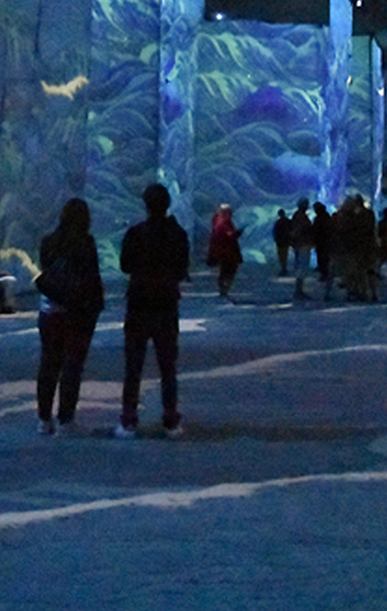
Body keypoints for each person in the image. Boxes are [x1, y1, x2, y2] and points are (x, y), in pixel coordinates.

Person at [116, 183, 190, 439]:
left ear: (146, 205)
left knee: (133, 366)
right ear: (167, 204)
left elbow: (125, 265)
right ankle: (170, 420)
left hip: (139, 303)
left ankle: (128, 420)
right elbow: (182, 269)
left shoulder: (136, 233)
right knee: (168, 365)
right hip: (166, 303)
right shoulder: (177, 233)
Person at [35, 198, 105, 435]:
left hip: (50, 309)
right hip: (77, 312)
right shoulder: (86, 243)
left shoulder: (48, 242)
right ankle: (66, 419)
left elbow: (46, 271)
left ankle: (44, 419)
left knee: (48, 364)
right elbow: (92, 277)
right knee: (72, 365)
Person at [206, 204, 243, 298]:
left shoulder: (217, 221)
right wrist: (238, 233)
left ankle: (223, 288)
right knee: (229, 269)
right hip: (228, 251)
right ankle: (224, 288)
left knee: (224, 270)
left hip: (221, 250)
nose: (231, 214)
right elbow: (229, 235)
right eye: (229, 212)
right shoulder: (224, 222)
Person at [288, 198, 315, 300]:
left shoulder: (298, 216)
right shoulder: (301, 217)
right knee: (302, 267)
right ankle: (298, 290)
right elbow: (299, 230)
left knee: (302, 267)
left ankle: (299, 290)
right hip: (303, 244)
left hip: (301, 244)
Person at [272, 210, 291, 276]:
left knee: (281, 256)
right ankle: (284, 268)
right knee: (285, 255)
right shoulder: (288, 221)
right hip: (286, 241)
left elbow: (275, 232)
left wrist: (276, 239)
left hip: (280, 242)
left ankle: (283, 268)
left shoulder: (278, 222)